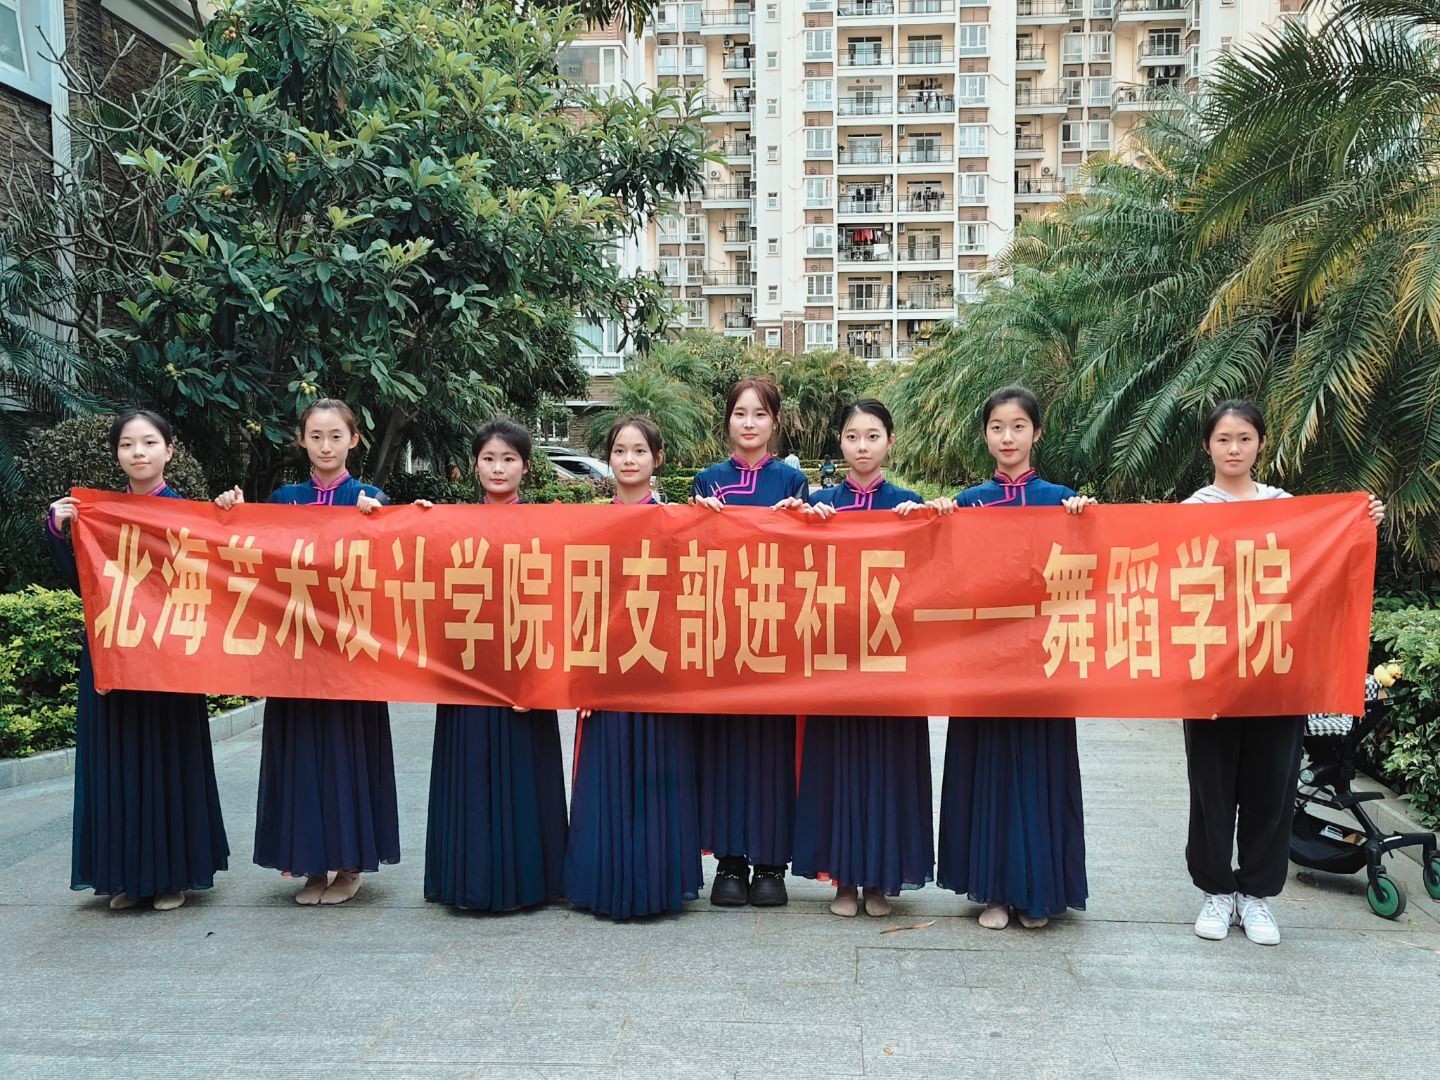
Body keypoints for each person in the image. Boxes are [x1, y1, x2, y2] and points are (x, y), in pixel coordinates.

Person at [1184, 400, 1385, 946]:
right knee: (1211, 789)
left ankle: (1256, 896)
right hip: (1212, 674)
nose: (1233, 449)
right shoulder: (1190, 511)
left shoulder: (1287, 508)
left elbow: (1327, 565)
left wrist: (1360, 524)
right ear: (1207, 446)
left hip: (1278, 669)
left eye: (1244, 439)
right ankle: (1216, 890)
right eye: (1223, 439)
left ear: (1260, 444)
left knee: (1271, 787)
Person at [214, 399, 399, 905]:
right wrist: (229, 514)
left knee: (345, 756)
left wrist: (381, 522)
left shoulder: (370, 498)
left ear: (353, 440)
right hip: (293, 654)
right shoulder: (283, 499)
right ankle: (310, 865)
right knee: (301, 758)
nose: (326, 446)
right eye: (315, 436)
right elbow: (251, 559)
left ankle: (350, 864)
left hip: (350, 656)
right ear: (301, 441)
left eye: (336, 436)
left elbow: (393, 568)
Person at [46, 409, 229, 911]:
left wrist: (227, 515)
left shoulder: (190, 513)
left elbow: (219, 579)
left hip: (170, 656)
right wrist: (59, 529)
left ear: (169, 450)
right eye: (127, 445)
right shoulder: (99, 514)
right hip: (113, 651)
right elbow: (81, 580)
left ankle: (171, 878)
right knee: (117, 761)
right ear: (117, 455)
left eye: (149, 442)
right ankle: (126, 877)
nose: (138, 452)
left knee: (169, 759)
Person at [928, 386, 1095, 930]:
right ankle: (994, 892)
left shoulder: (1062, 500)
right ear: (985, 435)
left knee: (1040, 769)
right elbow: (942, 575)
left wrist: (1085, 520)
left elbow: (1089, 570)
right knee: (990, 770)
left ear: (1036, 433)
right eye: (997, 427)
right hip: (986, 661)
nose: (1008, 437)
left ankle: (1037, 893)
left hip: (1045, 662)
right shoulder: (967, 503)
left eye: (1018, 426)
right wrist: (937, 522)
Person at [779, 399, 935, 917]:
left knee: (887, 768)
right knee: (837, 766)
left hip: (892, 662)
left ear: (890, 442)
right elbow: (785, 564)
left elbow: (934, 576)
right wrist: (798, 520)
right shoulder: (820, 503)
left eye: (872, 436)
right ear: (840, 444)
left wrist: (929, 524)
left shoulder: (909, 504)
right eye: (852, 437)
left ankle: (880, 881)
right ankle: (843, 880)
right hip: (835, 658)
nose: (862, 447)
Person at [422, 419, 568, 910]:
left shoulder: (546, 526)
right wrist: (414, 522)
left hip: (526, 672)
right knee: (469, 775)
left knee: (524, 777)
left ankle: (530, 883)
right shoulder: (449, 524)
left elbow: (559, 604)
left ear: (526, 467)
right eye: (489, 459)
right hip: (466, 669)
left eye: (509, 459)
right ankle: (467, 882)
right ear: (475, 466)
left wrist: (543, 679)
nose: (498, 468)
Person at [563, 416, 702, 919]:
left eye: (639, 450)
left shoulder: (679, 522)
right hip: (604, 672)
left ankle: (657, 884)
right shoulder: (588, 526)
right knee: (607, 774)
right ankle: (604, 882)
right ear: (608, 459)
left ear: (657, 458)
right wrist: (579, 676)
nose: (629, 459)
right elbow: (573, 602)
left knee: (658, 776)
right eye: (620, 450)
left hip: (660, 670)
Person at [691, 376, 809, 906]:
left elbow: (809, 557)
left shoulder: (792, 482)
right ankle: (730, 862)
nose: (749, 423)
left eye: (760, 414)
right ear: (728, 421)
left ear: (774, 422)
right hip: (722, 636)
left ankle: (771, 864)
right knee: (725, 750)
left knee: (772, 751)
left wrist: (805, 521)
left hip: (775, 634)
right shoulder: (707, 481)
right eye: (740, 413)